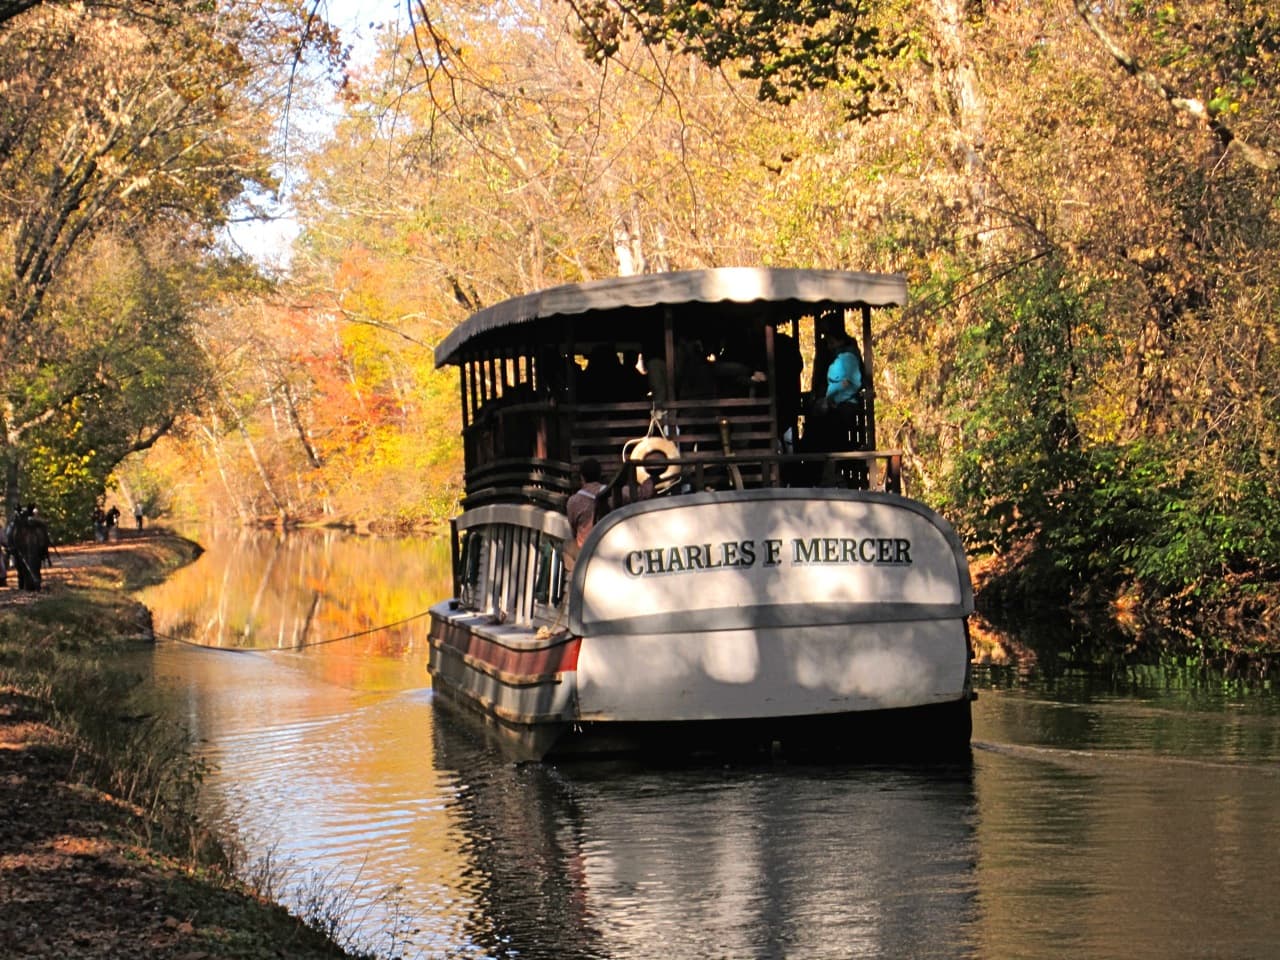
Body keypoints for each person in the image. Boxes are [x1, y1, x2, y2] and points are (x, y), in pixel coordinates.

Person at [563, 458, 605, 572]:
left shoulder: (574, 501)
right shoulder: (612, 493)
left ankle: (575, 578)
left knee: (566, 546)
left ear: (582, 477)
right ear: (600, 475)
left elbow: (573, 529)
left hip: (586, 549)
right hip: (607, 545)